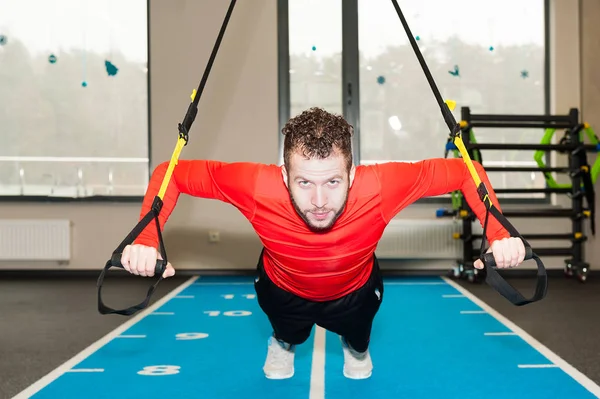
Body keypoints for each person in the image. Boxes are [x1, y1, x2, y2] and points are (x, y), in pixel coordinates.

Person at [121, 107, 526, 380]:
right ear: (283, 176)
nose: (318, 201)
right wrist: (145, 238)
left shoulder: (381, 186)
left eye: (332, 182)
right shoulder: (257, 186)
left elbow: (464, 170)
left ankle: (357, 345)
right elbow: (170, 172)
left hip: (356, 290)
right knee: (287, 329)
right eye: (304, 183)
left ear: (352, 174)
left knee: (359, 334)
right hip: (283, 288)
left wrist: (501, 232)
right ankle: (282, 340)